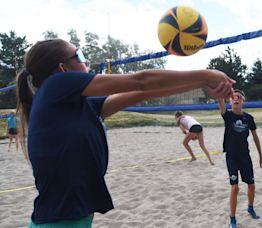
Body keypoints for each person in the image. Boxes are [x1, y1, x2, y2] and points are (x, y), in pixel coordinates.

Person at [16, 39, 234, 227]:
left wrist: (200, 84)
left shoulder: (78, 106)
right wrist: (206, 75)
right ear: (62, 68)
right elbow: (141, 80)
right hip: (58, 222)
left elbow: (141, 92)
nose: (87, 61)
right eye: (80, 55)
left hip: (71, 218)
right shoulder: (55, 84)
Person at [217, 89, 262, 228]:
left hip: (245, 156)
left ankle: (250, 207)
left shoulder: (248, 118)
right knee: (235, 187)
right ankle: (232, 218)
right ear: (230, 101)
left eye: (239, 97)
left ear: (243, 101)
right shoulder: (228, 115)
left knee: (251, 185)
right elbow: (220, 101)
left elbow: (255, 137)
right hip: (232, 156)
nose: (236, 98)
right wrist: (221, 89)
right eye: (233, 97)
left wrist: (261, 156)